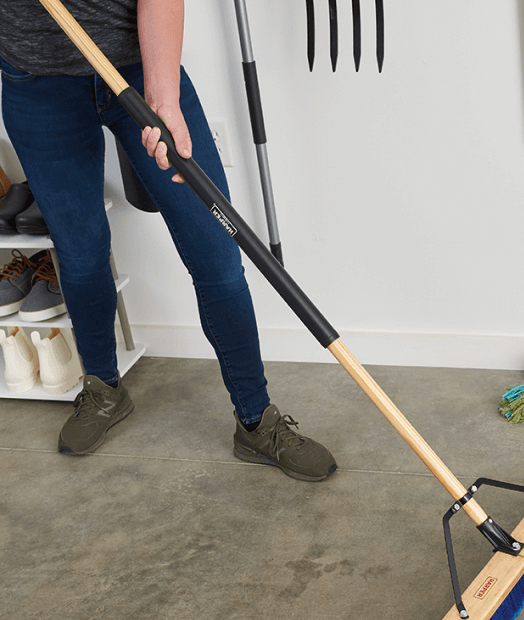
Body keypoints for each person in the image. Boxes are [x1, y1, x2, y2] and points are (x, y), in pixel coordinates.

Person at [0, 0, 337, 481]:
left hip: (136, 65)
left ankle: (256, 421)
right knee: (80, 250)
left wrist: (164, 98)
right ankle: (103, 390)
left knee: (215, 251)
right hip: (34, 80)